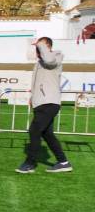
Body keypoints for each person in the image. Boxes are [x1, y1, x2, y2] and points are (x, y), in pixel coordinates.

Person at [17, 37, 72, 174]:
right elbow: (38, 83)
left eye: (39, 47)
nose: (37, 50)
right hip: (41, 103)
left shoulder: (55, 57)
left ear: (47, 46)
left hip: (49, 102)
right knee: (48, 135)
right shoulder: (40, 62)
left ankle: (30, 163)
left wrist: (41, 44)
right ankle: (63, 162)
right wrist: (33, 97)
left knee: (34, 130)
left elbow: (49, 60)